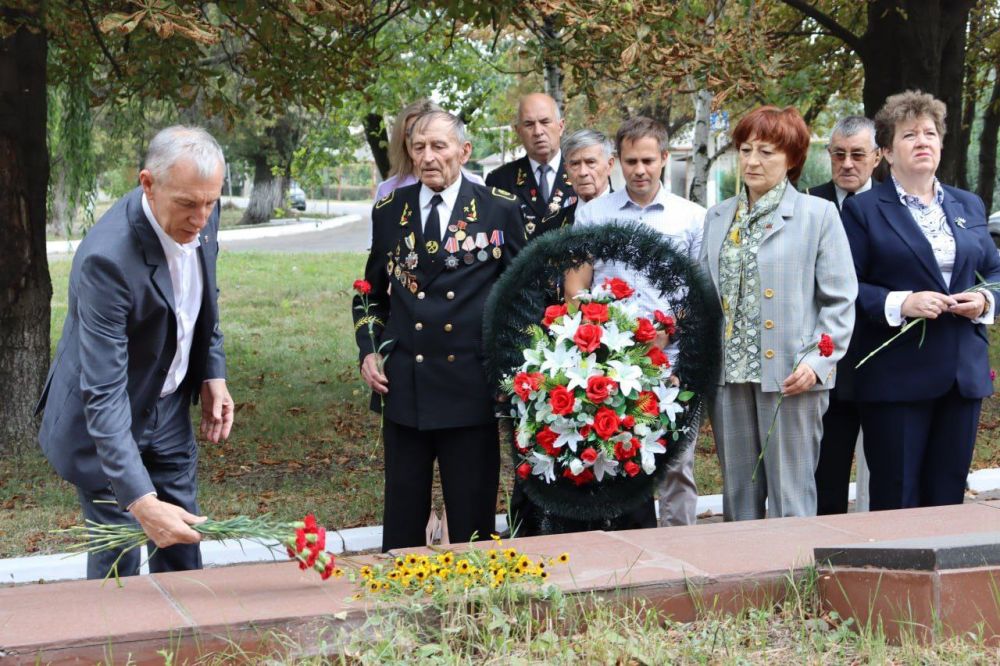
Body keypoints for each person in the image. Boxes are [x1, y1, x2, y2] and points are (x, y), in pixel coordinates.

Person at [36, 126, 234, 579]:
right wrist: (140, 501)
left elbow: (201, 298)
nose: (201, 217)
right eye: (187, 204)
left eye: (210, 202)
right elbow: (103, 395)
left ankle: (190, 647)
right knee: (122, 552)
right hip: (105, 418)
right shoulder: (106, 261)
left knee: (185, 543)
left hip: (167, 410)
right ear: (148, 183)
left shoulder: (201, 208)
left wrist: (211, 372)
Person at [353, 110, 525, 552]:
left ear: (464, 152)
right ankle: (399, 610)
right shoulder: (390, 212)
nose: (428, 157)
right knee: (402, 522)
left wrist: (510, 371)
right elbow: (370, 292)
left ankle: (476, 612)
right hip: (406, 386)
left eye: (439, 146)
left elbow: (524, 300)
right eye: (419, 148)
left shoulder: (498, 209)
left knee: (472, 523)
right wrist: (369, 351)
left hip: (470, 386)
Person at [841, 90, 1000, 511]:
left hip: (962, 373)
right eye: (909, 135)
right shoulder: (864, 211)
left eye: (930, 133)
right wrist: (901, 302)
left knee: (947, 497)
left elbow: (996, 271)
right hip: (896, 376)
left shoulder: (969, 204)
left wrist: (985, 300)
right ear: (888, 153)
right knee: (898, 497)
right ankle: (890, 579)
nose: (923, 141)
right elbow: (846, 286)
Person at [700, 106, 857, 521]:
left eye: (766, 152)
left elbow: (839, 301)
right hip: (728, 375)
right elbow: (702, 294)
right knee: (739, 494)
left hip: (792, 376)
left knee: (792, 494)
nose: (752, 161)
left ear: (792, 158)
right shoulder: (717, 218)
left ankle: (796, 579)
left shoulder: (817, 215)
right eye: (746, 149)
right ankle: (745, 581)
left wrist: (817, 362)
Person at [566, 116, 707, 529]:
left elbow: (701, 293)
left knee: (677, 465)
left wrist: (666, 333)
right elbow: (577, 285)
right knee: (616, 460)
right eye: (631, 161)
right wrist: (600, 342)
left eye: (648, 160)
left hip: (673, 361)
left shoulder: (692, 218)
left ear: (664, 158)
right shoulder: (594, 215)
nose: (640, 170)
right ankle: (625, 555)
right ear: (617, 161)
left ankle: (682, 558)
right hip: (612, 364)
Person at [808, 115, 882, 515]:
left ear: (877, 157)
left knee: (881, 472)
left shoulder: (892, 205)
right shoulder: (808, 202)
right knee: (826, 471)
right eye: (839, 154)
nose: (848, 164)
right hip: (826, 359)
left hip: (879, 356)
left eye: (857, 155)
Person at [485, 93, 576, 239]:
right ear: (518, 131)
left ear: (560, 126)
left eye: (545, 122)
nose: (538, 132)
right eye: (529, 124)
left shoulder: (583, 173)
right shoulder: (499, 181)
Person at [374, 99, 483, 200]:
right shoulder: (387, 191)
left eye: (437, 144)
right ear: (402, 139)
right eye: (410, 134)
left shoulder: (475, 185)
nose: (417, 140)